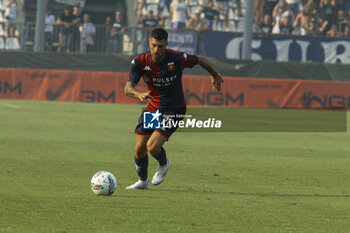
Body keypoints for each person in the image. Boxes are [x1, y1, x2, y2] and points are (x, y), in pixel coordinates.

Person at [124, 28, 224, 190]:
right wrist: (138, 94)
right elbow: (127, 88)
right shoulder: (140, 61)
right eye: (154, 45)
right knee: (139, 149)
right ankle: (143, 182)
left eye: (161, 46)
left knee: (152, 147)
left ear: (166, 44)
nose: (157, 50)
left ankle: (164, 164)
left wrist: (214, 74)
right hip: (153, 108)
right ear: (149, 43)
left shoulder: (177, 58)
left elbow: (199, 59)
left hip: (173, 108)